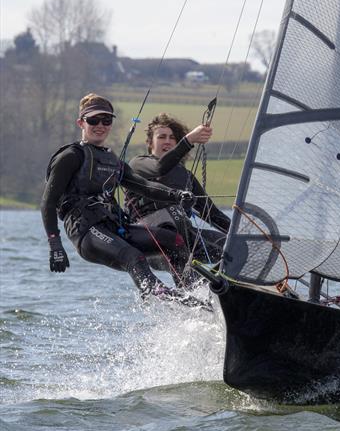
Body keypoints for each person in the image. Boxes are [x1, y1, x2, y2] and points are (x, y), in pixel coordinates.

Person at [42, 93, 205, 307]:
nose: (100, 125)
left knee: (173, 241)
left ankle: (195, 296)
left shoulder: (113, 161)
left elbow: (144, 185)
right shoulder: (71, 156)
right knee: (133, 256)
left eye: (106, 120)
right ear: (81, 122)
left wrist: (176, 195)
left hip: (116, 227)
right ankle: (155, 292)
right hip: (86, 232)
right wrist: (55, 244)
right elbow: (48, 202)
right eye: (93, 120)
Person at [124, 113, 230, 272]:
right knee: (173, 216)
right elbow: (160, 167)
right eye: (161, 137)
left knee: (234, 247)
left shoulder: (185, 176)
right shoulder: (138, 163)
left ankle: (214, 287)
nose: (167, 141)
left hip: (185, 236)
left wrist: (244, 235)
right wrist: (189, 140)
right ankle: (190, 288)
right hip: (152, 238)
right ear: (150, 143)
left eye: (172, 137)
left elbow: (212, 214)